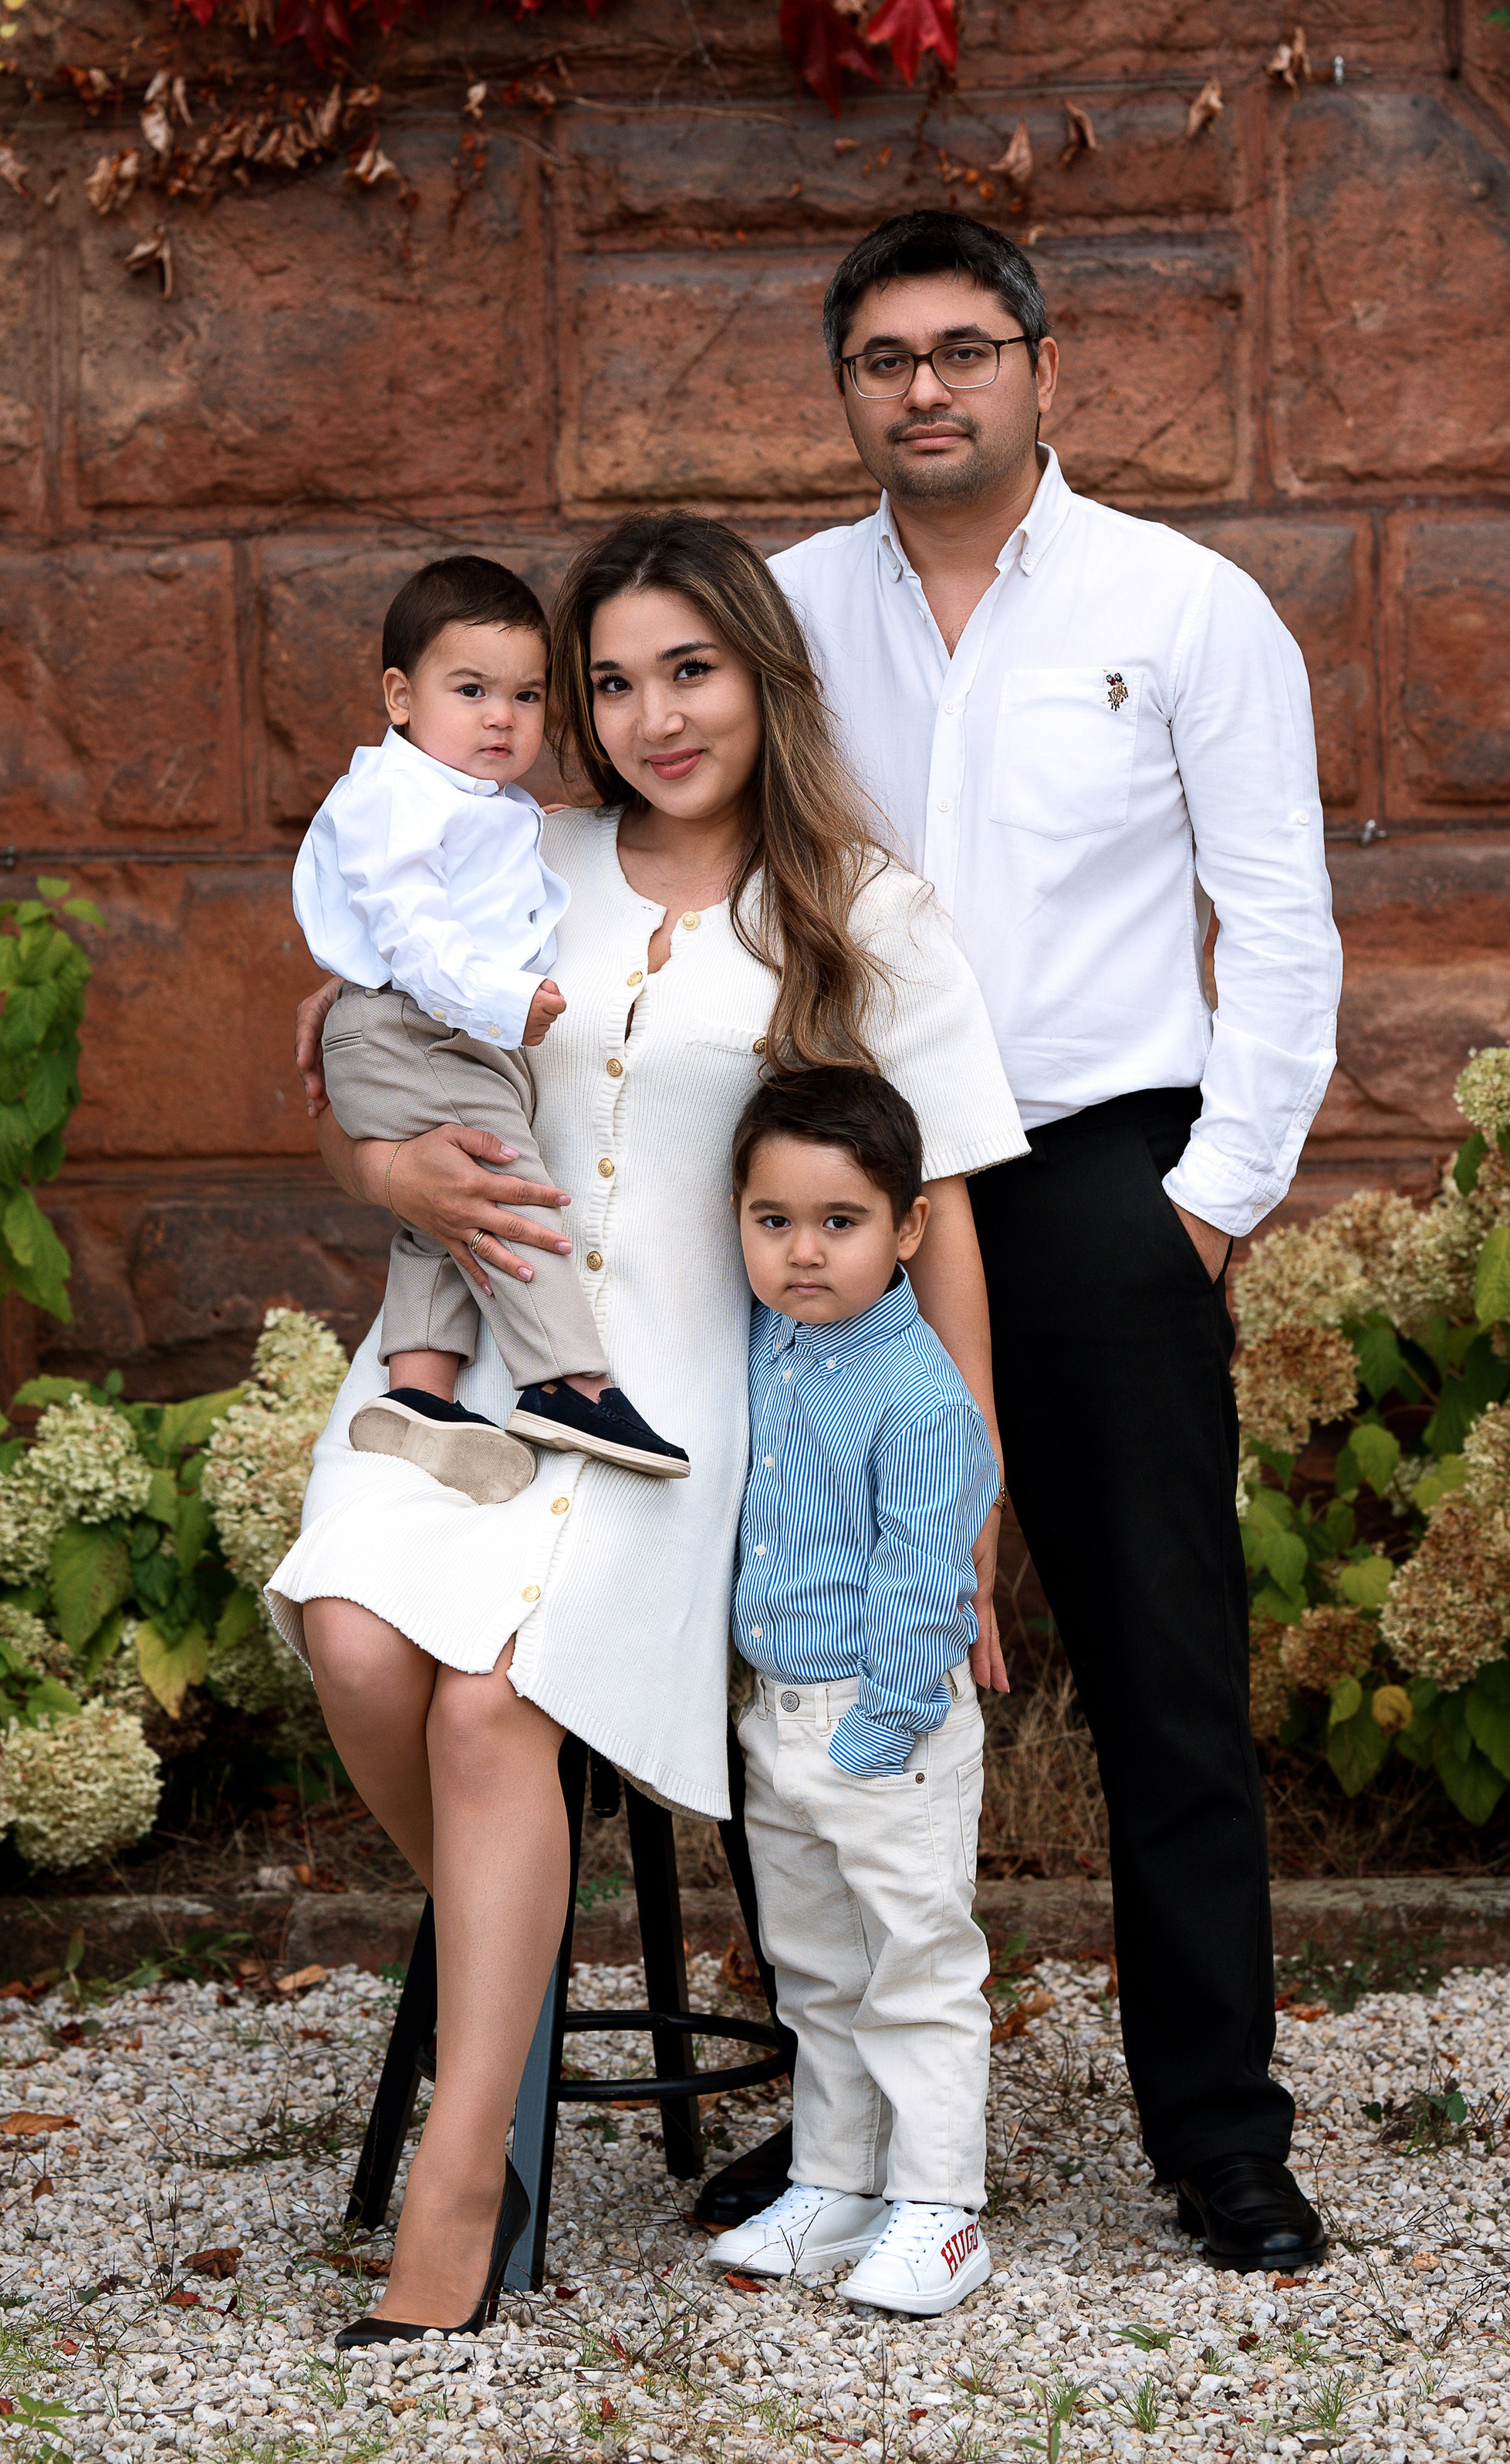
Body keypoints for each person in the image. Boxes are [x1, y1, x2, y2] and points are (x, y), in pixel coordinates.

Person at [279, 512, 1026, 2344]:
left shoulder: (859, 906)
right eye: (607, 683)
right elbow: (355, 1055)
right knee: (352, 1639)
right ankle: (509, 1958)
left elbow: (939, 1217)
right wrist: (382, 1170)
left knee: (491, 1706)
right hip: (461, 1359)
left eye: (686, 670)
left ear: (758, 672)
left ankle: (461, 2177)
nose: (649, 716)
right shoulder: (509, 851)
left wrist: (965, 1515)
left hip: (679, 1413)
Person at [763, 209, 1343, 2275]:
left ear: (1040, 365)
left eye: (962, 348)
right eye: (883, 358)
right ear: (846, 389)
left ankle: (1218, 2130)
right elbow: (669, 834)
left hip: (1104, 1177)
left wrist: (1208, 1206)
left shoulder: (1181, 606)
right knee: (816, 1651)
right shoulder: (779, 614)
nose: (923, 387)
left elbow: (1279, 919)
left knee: (1163, 1667)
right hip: (847, 1182)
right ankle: (836, 2128)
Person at [292, 552, 687, 1497]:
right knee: (506, 1187)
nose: (502, 717)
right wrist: (506, 1002)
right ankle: (565, 1382)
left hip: (432, 1032)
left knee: (445, 1210)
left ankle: (417, 1390)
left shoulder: (483, 804)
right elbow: (413, 933)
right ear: (400, 697)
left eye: (526, 695)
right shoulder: (396, 796)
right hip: (417, 1027)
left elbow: (486, 886)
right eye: (471, 691)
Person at [705, 1065, 998, 2317]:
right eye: (774, 1221)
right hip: (777, 1717)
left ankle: (941, 2209)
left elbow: (928, 1580)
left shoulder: (918, 1394)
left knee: (916, 1967)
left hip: (886, 1723)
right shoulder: (767, 1341)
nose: (805, 1252)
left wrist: (878, 1734)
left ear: (909, 1226)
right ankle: (836, 2181)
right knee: (817, 1970)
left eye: (842, 1222)